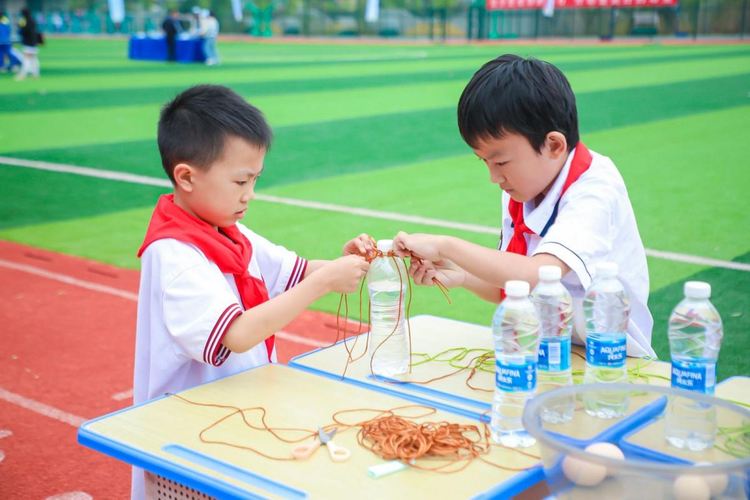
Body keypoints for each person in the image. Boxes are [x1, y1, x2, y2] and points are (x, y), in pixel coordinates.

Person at [131, 84, 373, 498]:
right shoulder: (176, 254)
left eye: (255, 179)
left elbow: (291, 273)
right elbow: (238, 335)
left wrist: (342, 263)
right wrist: (323, 282)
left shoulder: (227, 228)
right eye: (241, 180)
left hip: (233, 415)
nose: (250, 194)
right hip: (189, 434)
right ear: (186, 176)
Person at [393, 54, 655, 358]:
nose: (494, 176)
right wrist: (461, 275)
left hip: (612, 359)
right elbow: (514, 284)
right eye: (485, 162)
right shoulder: (522, 188)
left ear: (554, 145)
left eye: (501, 161)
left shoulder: (594, 189)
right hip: (553, 348)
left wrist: (447, 246)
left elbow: (539, 273)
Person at [14, 8, 39, 80]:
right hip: (34, 41)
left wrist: (20, 25)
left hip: (28, 41)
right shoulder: (32, 20)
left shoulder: (24, 21)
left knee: (26, 59)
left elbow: (23, 31)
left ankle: (23, 74)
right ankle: (35, 73)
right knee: (33, 58)